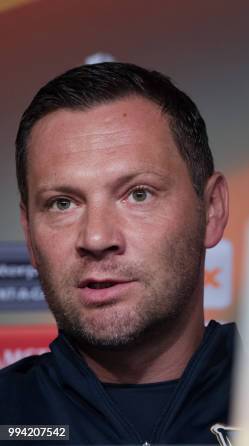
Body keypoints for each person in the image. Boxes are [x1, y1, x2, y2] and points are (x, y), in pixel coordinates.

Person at [0, 62, 235, 445]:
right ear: (29, 234)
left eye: (138, 194)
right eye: (62, 203)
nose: (96, 237)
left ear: (211, 210)